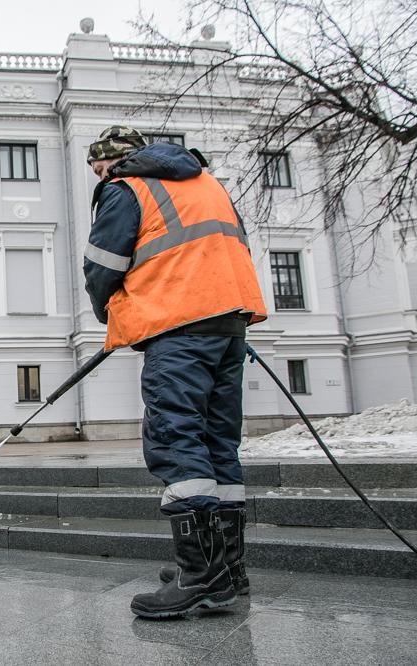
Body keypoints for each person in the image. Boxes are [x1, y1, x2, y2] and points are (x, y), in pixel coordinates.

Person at [82, 126, 267, 619]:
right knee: (216, 443)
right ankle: (228, 570)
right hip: (229, 322)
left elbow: (102, 265)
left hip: (179, 327)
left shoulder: (126, 187)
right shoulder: (208, 184)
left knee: (176, 440)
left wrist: (111, 312)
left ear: (115, 161)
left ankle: (200, 577)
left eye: (99, 169)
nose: (100, 178)